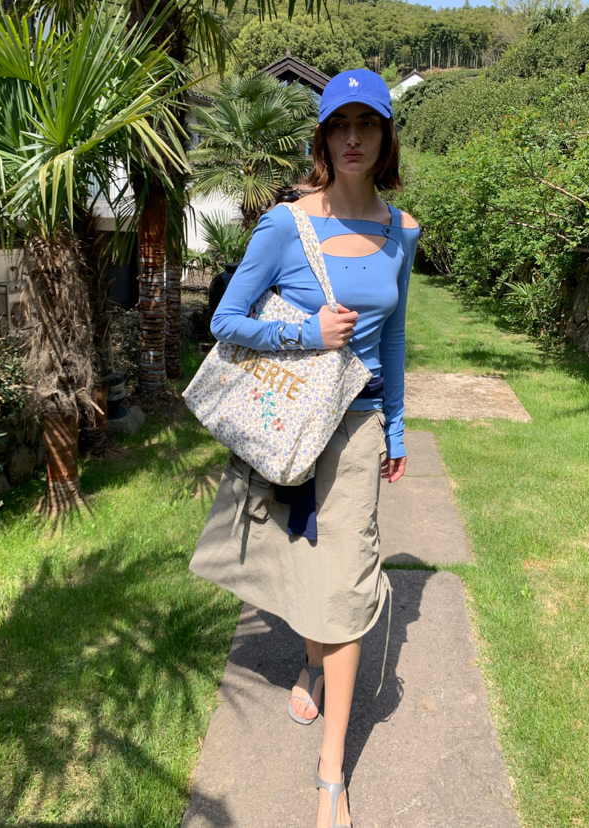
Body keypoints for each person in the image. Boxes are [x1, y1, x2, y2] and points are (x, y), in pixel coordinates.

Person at [189, 68, 419, 828]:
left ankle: (330, 776)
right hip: (290, 426)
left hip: (356, 432)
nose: (353, 138)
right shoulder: (287, 225)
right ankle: (313, 666)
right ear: (323, 138)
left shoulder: (401, 231)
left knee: (346, 590)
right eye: (339, 125)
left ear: (385, 136)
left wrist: (395, 428)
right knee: (307, 569)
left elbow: (393, 336)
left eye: (368, 123)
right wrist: (306, 334)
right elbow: (224, 321)